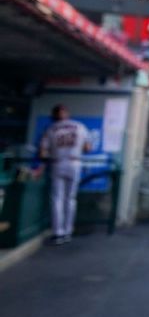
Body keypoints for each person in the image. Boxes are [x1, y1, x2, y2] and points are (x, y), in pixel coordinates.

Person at [36, 104, 90, 245]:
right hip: (74, 163)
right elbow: (87, 148)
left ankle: (57, 233)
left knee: (57, 199)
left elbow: (43, 152)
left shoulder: (50, 129)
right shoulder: (79, 126)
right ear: (67, 113)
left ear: (54, 115)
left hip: (57, 163)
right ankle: (68, 231)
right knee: (70, 199)